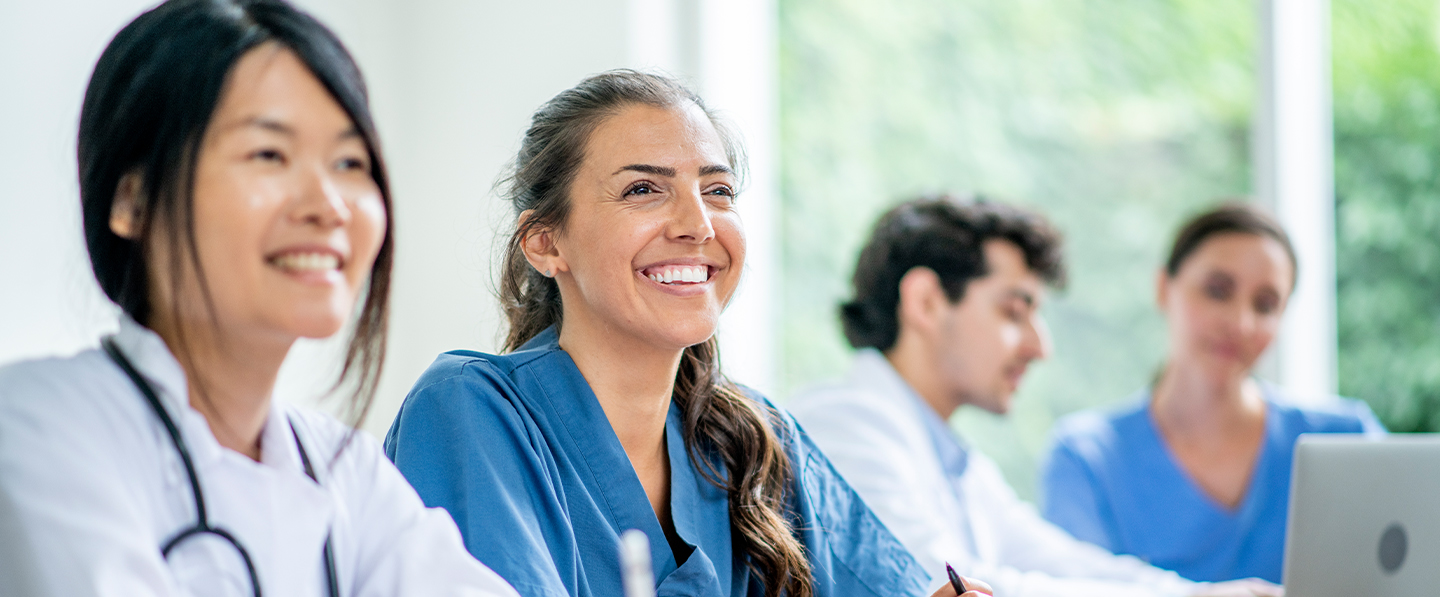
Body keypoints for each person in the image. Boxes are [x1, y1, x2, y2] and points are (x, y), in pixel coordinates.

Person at [382, 71, 989, 597]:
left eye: (718, 190)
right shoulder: (470, 412)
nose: (698, 224)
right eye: (643, 189)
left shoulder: (756, 440)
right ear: (546, 242)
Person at [0, 2, 518, 595]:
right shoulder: (36, 426)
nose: (329, 205)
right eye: (268, 154)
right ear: (132, 201)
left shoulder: (343, 470)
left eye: (350, 162)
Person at [787, 197, 1282, 597]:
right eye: (1013, 312)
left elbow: (1056, 560)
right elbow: (944, 581)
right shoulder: (843, 426)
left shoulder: (957, 463)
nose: (1039, 346)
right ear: (926, 302)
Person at [1040, 202, 1385, 584]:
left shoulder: (1345, 438)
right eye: (1218, 291)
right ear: (1163, 289)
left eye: (1266, 304)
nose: (1240, 322)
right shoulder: (1087, 458)